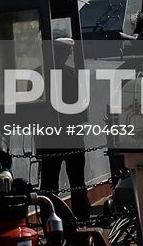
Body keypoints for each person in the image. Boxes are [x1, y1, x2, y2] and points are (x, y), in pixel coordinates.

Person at [37, 38, 91, 222]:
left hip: (50, 136)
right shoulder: (73, 74)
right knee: (77, 182)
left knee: (49, 184)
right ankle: (82, 219)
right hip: (72, 135)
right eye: (67, 51)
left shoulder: (39, 75)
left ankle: (49, 220)